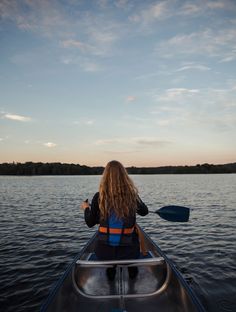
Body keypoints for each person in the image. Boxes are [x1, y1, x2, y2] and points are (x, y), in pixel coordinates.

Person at [80, 160, 148, 280]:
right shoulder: (132, 196)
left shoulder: (98, 197)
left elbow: (90, 222)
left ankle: (110, 282)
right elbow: (144, 212)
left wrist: (86, 208)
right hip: (129, 253)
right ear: (124, 177)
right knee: (132, 261)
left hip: (104, 253)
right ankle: (133, 282)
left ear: (105, 177)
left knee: (109, 264)